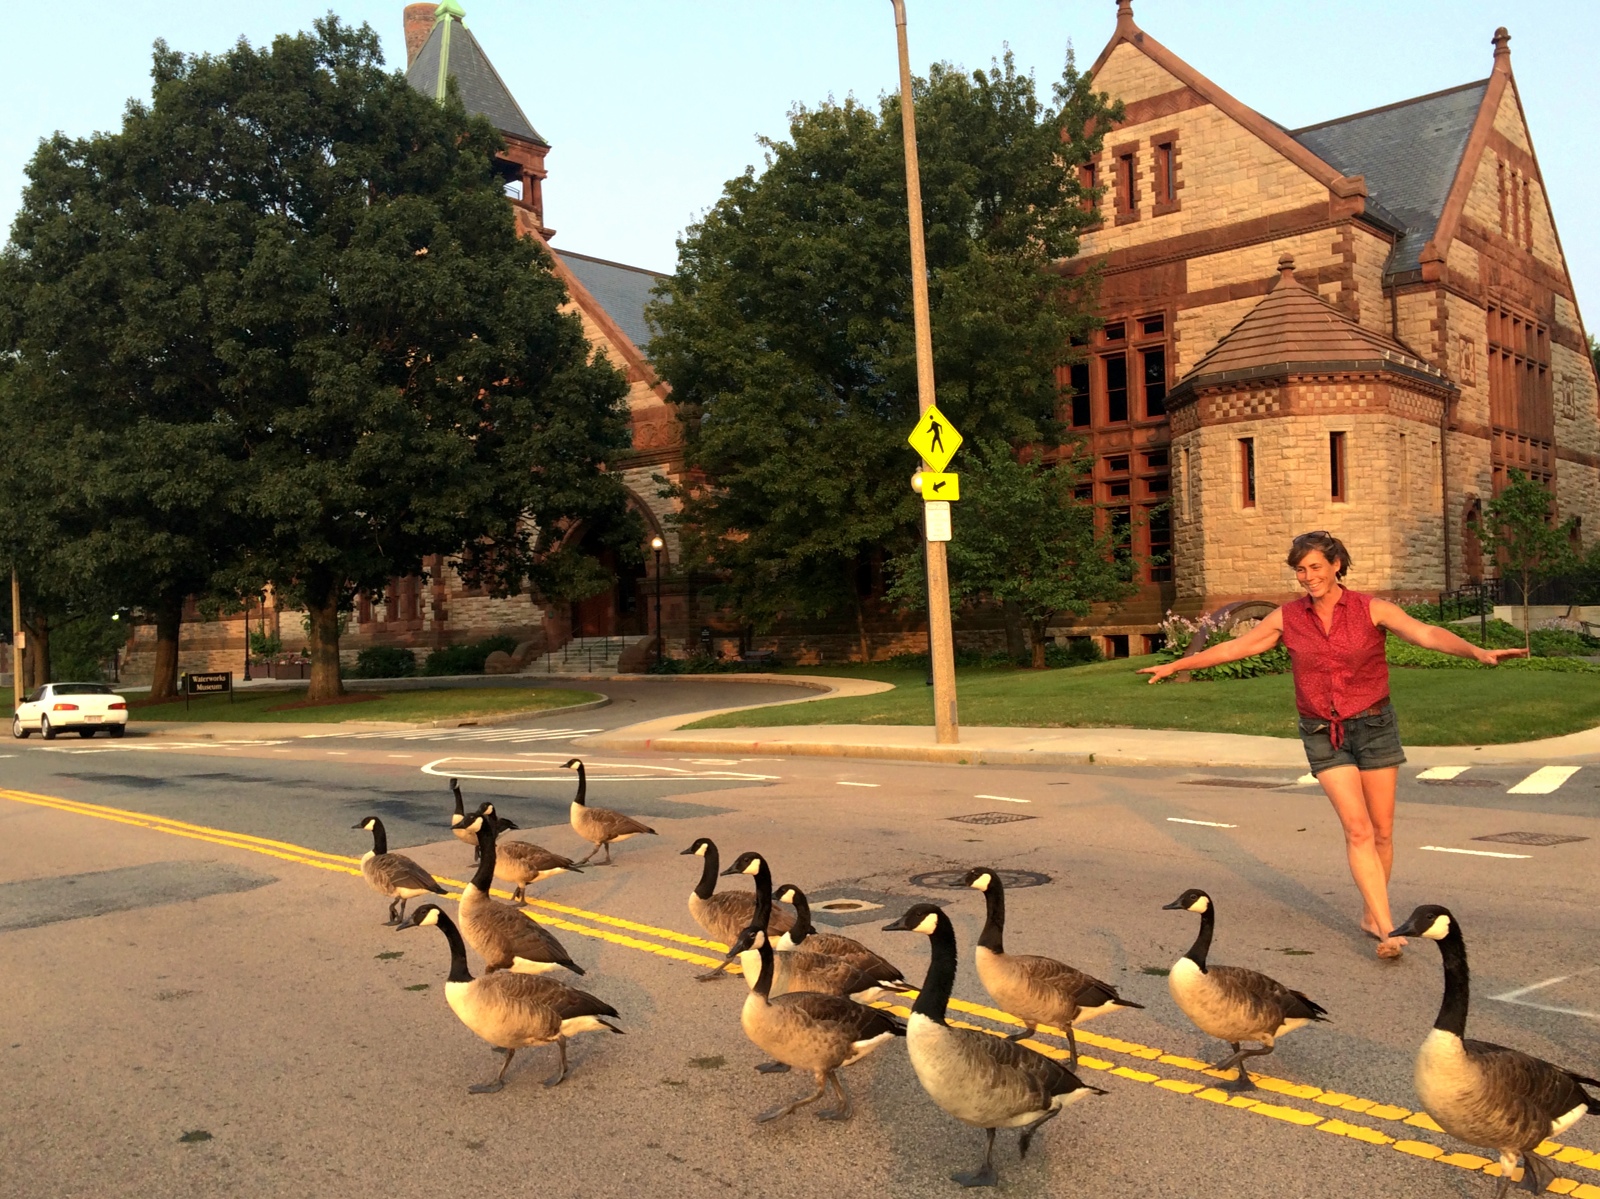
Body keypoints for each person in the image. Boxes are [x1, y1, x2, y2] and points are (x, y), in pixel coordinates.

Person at [1137, 531, 1525, 960]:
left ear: (1337, 564)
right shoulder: (1289, 618)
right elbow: (1237, 647)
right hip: (1323, 731)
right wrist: (1179, 662)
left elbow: (1426, 634)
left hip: (1374, 724)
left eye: (1315, 567)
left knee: (1382, 831)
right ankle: (1384, 928)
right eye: (1300, 570)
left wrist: (1477, 652)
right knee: (1357, 829)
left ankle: (1368, 912)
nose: (1307, 577)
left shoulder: (1370, 608)